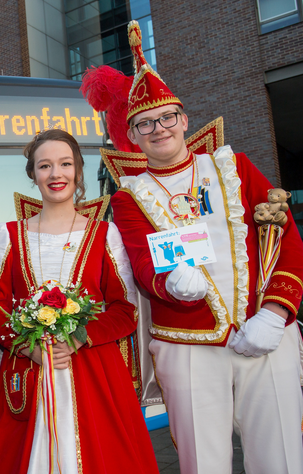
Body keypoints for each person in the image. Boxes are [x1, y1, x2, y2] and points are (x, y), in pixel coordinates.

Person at [81, 20, 303, 474]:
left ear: (184, 119)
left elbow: (284, 236)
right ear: (134, 136)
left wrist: (276, 313)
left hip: (265, 333)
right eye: (145, 123)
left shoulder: (234, 166)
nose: (159, 128)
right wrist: (169, 283)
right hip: (188, 344)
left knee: (281, 456)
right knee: (204, 464)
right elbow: (143, 262)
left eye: (166, 118)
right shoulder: (129, 196)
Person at [0, 129, 158, 474]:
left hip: (93, 368)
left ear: (77, 171)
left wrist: (78, 337)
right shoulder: (9, 234)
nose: (55, 174)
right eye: (45, 166)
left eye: (64, 164)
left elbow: (126, 309)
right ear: (33, 174)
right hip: (29, 369)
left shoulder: (106, 234)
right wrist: (25, 345)